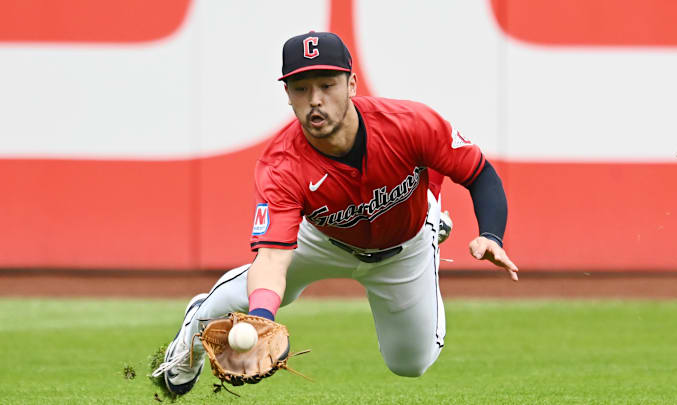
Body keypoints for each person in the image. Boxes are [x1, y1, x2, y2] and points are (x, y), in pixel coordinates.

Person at [152, 31, 518, 396]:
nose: (315, 100)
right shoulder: (282, 164)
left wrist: (492, 234)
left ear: (352, 84)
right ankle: (191, 340)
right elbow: (274, 256)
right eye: (301, 89)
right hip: (323, 241)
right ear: (287, 95)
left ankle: (431, 217)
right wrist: (262, 319)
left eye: (327, 85)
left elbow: (479, 173)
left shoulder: (408, 124)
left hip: (404, 247)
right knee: (246, 297)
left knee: (410, 363)